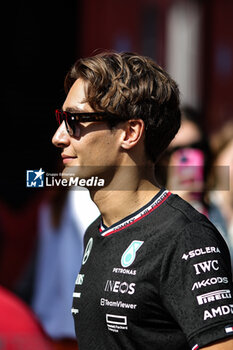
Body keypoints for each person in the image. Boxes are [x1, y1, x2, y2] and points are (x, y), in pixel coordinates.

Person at [52, 52, 233, 350]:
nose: (59, 137)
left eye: (75, 121)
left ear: (130, 132)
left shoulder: (185, 236)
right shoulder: (96, 231)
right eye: (61, 119)